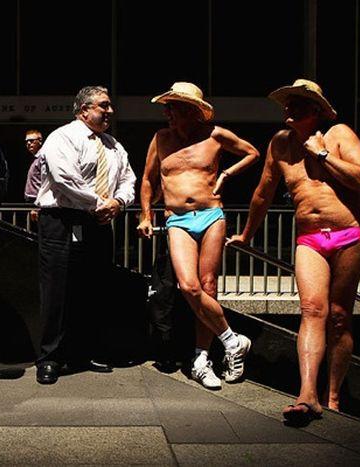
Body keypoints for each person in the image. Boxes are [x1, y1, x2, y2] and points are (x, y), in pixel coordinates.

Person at [228, 79, 360, 424]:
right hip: (309, 239)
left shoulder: (338, 134)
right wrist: (247, 235)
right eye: (287, 104)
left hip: (349, 234)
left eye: (298, 104)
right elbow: (262, 194)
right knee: (311, 309)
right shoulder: (279, 144)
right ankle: (307, 394)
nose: (289, 110)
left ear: (316, 111)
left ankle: (333, 396)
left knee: (339, 316)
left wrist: (320, 153)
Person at [137, 82, 259, 389]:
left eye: (173, 108)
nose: (167, 114)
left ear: (192, 112)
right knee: (188, 286)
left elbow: (252, 153)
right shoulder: (160, 139)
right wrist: (145, 214)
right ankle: (232, 340)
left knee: (208, 285)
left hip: (211, 215)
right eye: (167, 108)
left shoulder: (215, 135)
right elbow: (148, 180)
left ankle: (201, 358)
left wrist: (227, 174)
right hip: (177, 219)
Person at [34, 85, 136, 385]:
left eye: (110, 106)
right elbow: (64, 178)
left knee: (94, 286)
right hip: (63, 219)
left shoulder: (113, 145)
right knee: (56, 290)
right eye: (104, 106)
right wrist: (98, 203)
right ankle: (50, 357)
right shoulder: (62, 137)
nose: (110, 111)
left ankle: (85, 351)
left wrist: (118, 203)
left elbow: (128, 178)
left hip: (101, 220)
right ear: (84, 110)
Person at [23, 129, 44, 223]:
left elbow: (45, 181)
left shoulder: (43, 157)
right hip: (33, 203)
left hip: (38, 203)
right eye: (26, 141)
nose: (28, 143)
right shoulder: (35, 159)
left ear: (39, 141)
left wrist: (36, 207)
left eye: (31, 141)